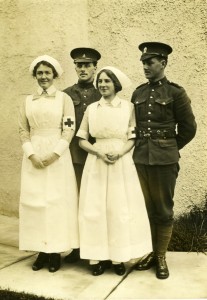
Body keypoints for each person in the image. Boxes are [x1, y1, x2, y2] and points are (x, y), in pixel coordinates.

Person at [76, 66, 152, 276]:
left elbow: (132, 138)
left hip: (120, 163)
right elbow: (81, 139)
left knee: (118, 209)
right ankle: (99, 258)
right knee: (97, 209)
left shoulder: (127, 108)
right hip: (97, 164)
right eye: (100, 81)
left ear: (116, 85)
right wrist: (98, 153)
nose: (102, 85)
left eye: (107, 81)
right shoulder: (92, 109)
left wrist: (119, 153)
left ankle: (118, 258)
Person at [131, 42, 197, 279]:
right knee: (146, 208)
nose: (145, 67)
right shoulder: (138, 93)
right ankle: (150, 252)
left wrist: (169, 147)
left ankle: (161, 256)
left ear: (163, 63)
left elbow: (189, 128)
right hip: (140, 158)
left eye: (150, 62)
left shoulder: (176, 93)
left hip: (164, 161)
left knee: (163, 209)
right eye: (143, 63)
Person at [18, 55, 79, 272]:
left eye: (47, 72)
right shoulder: (27, 101)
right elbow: (23, 130)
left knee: (55, 202)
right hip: (34, 156)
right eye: (40, 73)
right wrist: (31, 154)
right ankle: (41, 251)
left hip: (57, 157)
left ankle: (55, 252)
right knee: (36, 203)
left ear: (54, 75)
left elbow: (69, 129)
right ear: (35, 75)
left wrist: (55, 153)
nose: (44, 77)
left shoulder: (64, 99)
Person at [63, 47, 101, 263]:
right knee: (76, 201)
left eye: (87, 65)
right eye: (79, 65)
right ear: (75, 67)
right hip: (75, 158)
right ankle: (77, 248)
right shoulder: (67, 95)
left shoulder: (102, 92)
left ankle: (94, 247)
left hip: (96, 158)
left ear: (95, 68)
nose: (83, 69)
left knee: (94, 203)